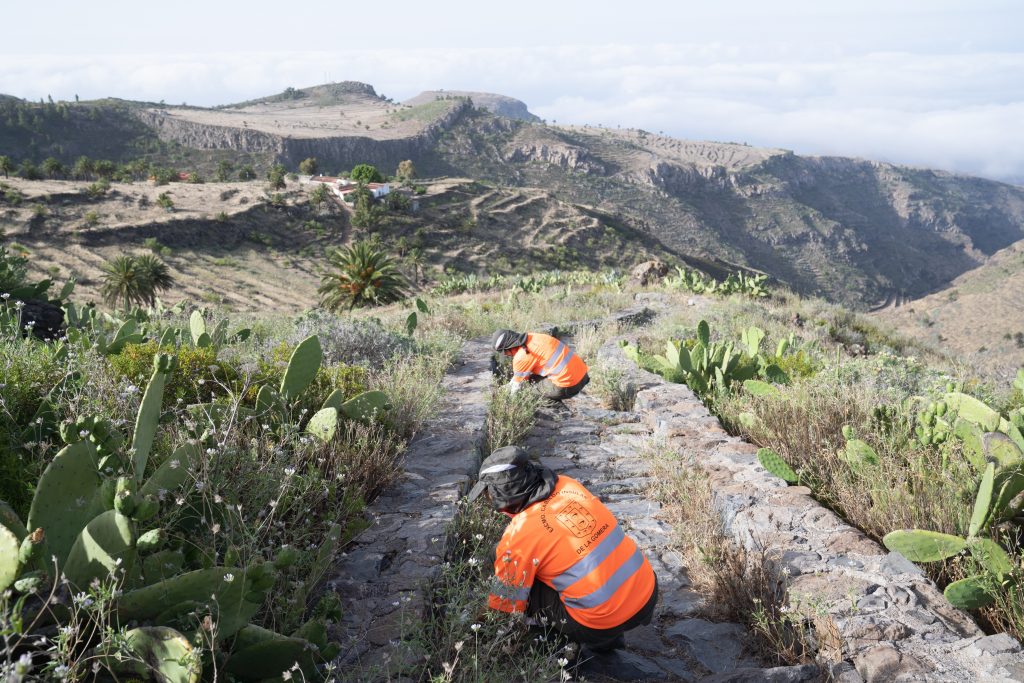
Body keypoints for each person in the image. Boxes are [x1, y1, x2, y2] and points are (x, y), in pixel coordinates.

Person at [468, 446, 658, 653]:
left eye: (488, 494)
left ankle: (551, 643)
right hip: (647, 596)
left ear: (502, 497)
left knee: (523, 579)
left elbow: (504, 606)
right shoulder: (568, 484)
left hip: (598, 625)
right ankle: (611, 635)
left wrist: (476, 635)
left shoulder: (520, 535)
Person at [490, 329, 590, 402]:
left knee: (527, 387)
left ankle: (554, 408)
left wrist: (509, 405)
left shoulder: (521, 357)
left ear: (508, 348)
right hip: (583, 375)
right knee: (529, 378)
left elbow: (516, 388)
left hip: (569, 386)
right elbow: (518, 378)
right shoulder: (534, 336)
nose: (506, 355)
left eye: (505, 353)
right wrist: (506, 387)